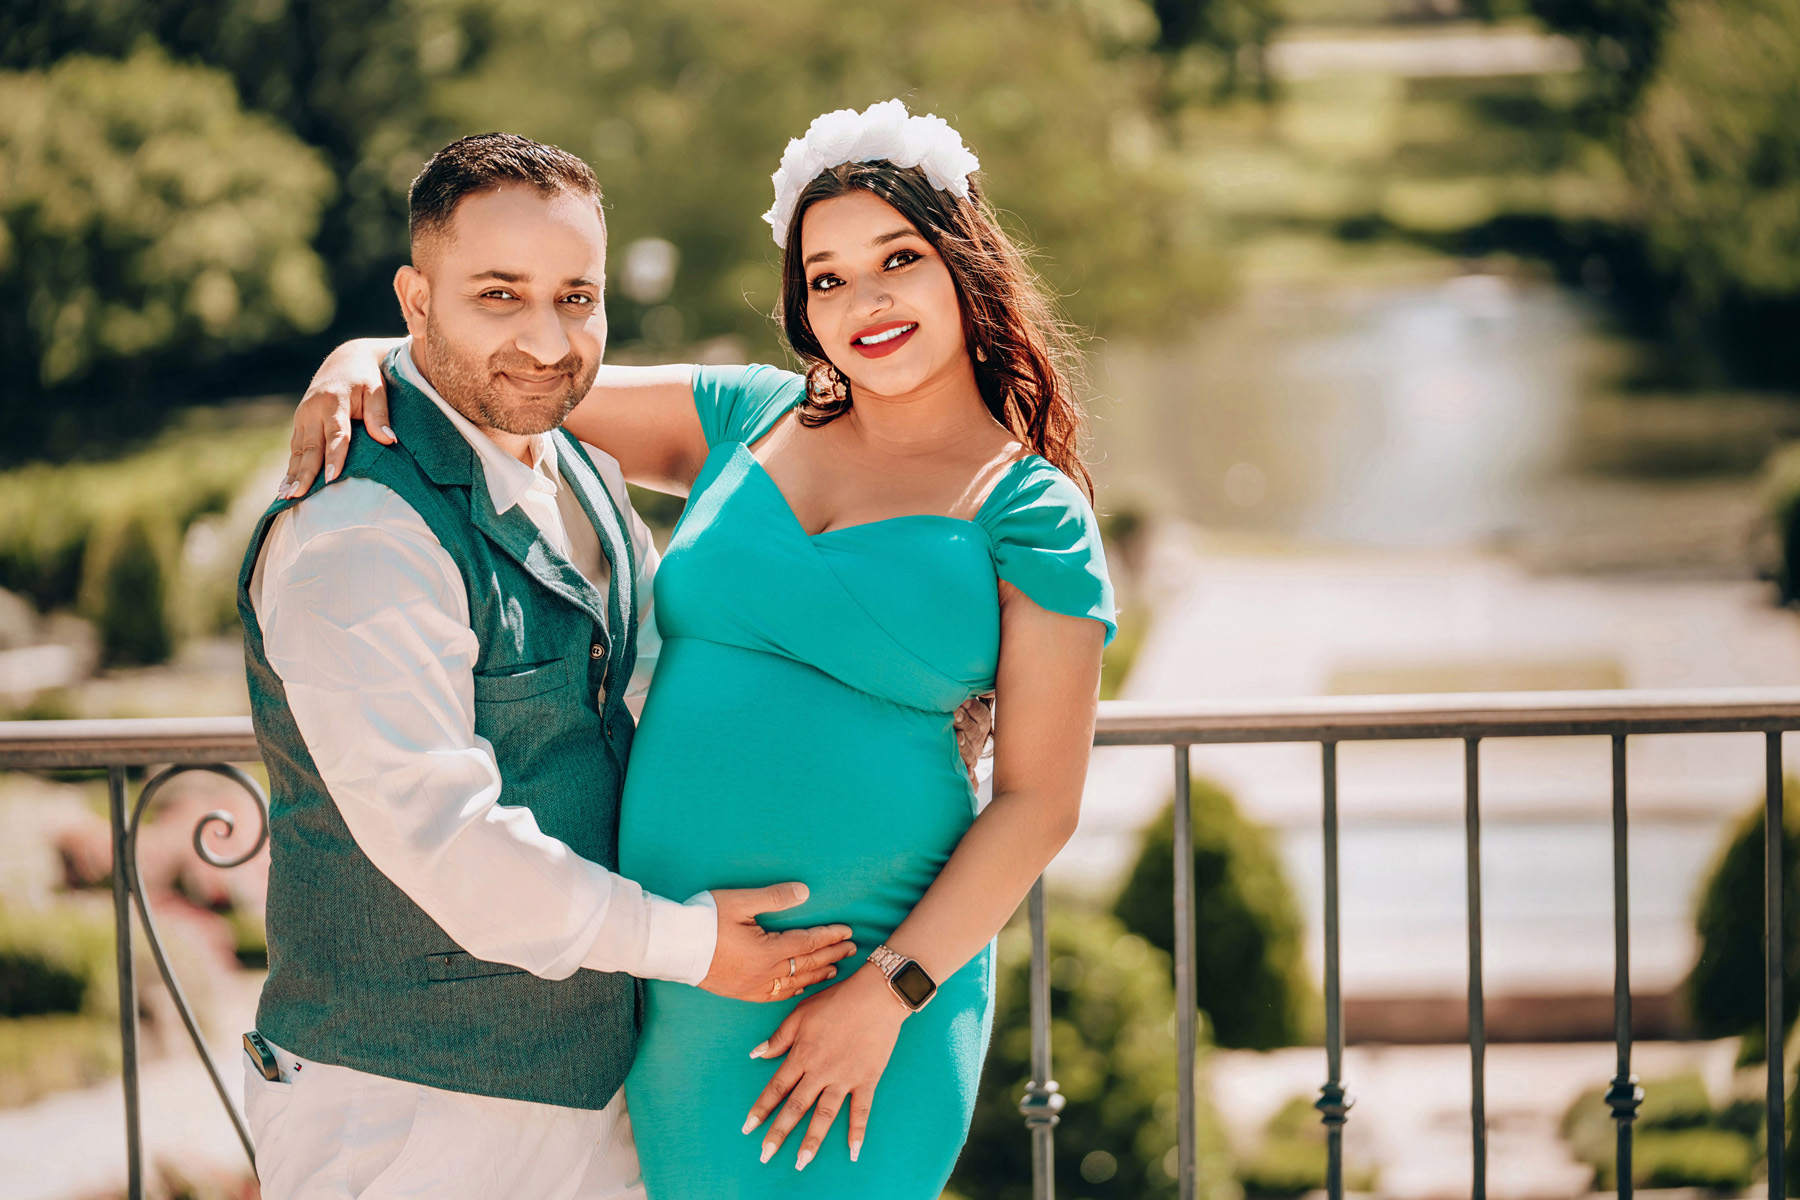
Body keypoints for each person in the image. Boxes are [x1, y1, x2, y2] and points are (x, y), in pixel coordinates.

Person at [287, 99, 1114, 1199]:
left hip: (878, 985)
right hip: (685, 978)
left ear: (962, 264)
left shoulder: (1031, 509)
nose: (862, 302)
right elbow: (528, 371)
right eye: (824, 278)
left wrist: (886, 995)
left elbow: (1039, 806)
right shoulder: (750, 418)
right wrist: (364, 354)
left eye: (896, 261)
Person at [239, 133, 868, 1200]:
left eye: (577, 297)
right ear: (416, 298)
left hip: (600, 1088)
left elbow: (669, 695)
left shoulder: (581, 469)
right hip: (410, 1109)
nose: (546, 339)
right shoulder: (359, 532)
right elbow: (447, 841)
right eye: (499, 295)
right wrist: (691, 947)